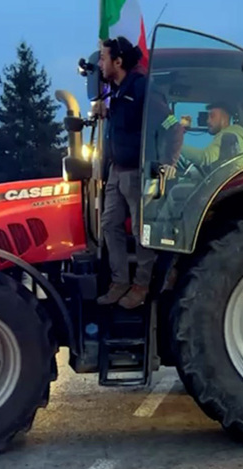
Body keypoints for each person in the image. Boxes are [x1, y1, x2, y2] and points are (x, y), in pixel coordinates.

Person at [94, 36, 183, 309]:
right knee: (109, 225)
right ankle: (119, 281)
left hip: (137, 173)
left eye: (103, 58)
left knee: (142, 231)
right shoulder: (117, 93)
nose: (100, 63)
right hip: (116, 172)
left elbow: (173, 126)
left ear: (118, 62)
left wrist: (168, 163)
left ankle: (141, 284)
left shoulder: (144, 90)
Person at [180, 102, 243, 169]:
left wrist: (177, 146)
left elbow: (205, 158)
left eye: (212, 116)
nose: (208, 121)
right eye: (208, 117)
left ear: (224, 119)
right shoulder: (240, 133)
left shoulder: (226, 135)